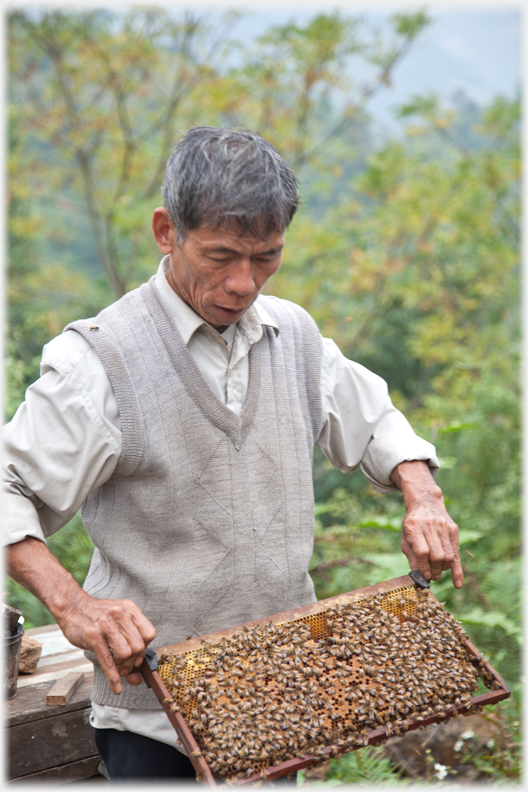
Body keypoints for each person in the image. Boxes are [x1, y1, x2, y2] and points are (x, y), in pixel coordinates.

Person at [4, 127, 462, 781]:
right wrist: (76, 607)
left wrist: (423, 495)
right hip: (153, 722)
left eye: (265, 257)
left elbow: (376, 422)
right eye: (220, 256)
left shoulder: (294, 334)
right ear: (167, 231)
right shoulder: (102, 359)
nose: (244, 283)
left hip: (274, 704)